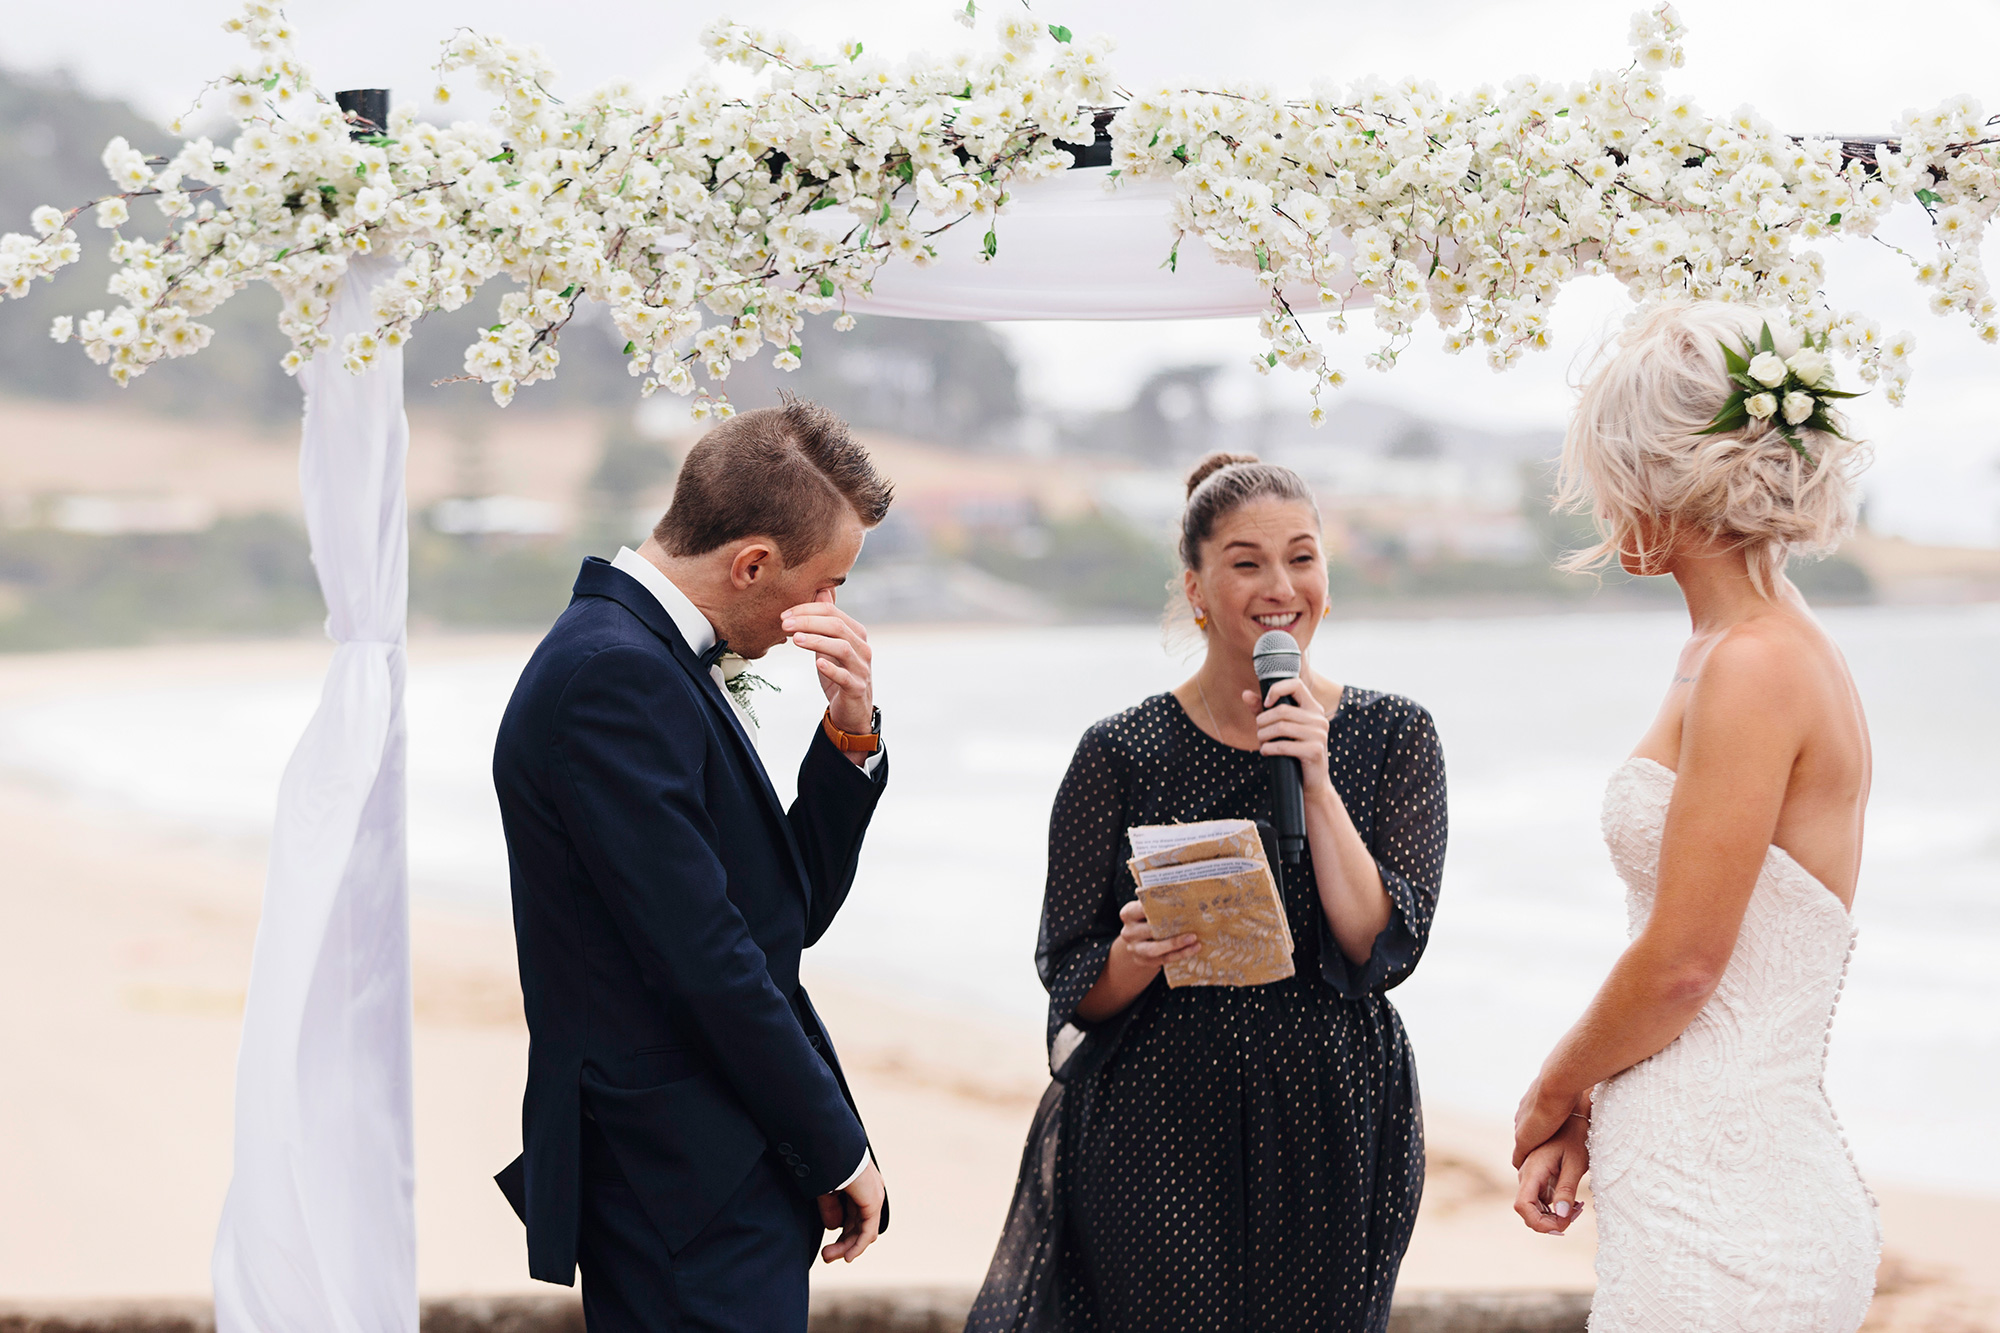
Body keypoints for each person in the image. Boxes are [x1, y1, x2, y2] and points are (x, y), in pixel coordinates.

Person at [968, 453, 1447, 1333]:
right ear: (1195, 587)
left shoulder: (1397, 733)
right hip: (1158, 1118)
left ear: (1327, 581)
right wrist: (1134, 952)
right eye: (1246, 561)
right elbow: (1074, 979)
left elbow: (1380, 944)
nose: (1281, 585)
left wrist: (1318, 774)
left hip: (1335, 1116)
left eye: (1302, 557)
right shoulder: (1119, 751)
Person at [1511, 303, 1881, 1330]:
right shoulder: (1740, 648)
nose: (1596, 506)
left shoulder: (1755, 663)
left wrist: (1551, 1089)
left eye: (1608, 476)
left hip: (1726, 1212)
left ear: (1668, 481)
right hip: (1698, 1182)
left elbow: (1682, 962)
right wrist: (1593, 1102)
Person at [491, 397, 896, 1332]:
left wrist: (848, 735)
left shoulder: (641, 656)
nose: (832, 612)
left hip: (712, 1165)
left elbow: (776, 923)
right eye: (826, 583)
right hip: (678, 1180)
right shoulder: (614, 675)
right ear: (752, 563)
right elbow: (707, 958)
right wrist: (834, 1147)